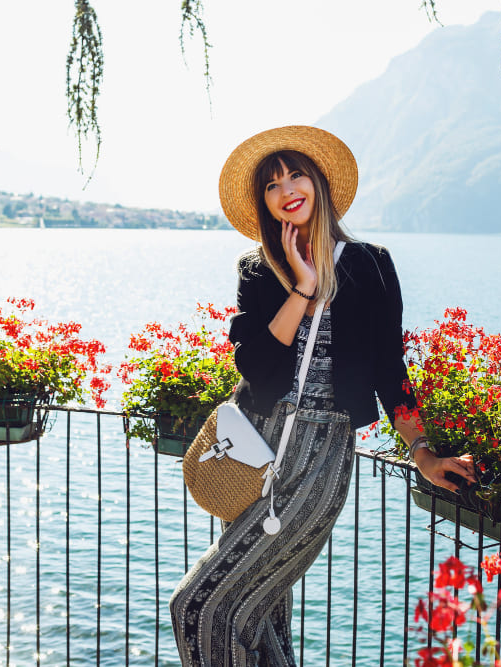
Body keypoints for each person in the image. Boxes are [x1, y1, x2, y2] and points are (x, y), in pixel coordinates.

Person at [169, 125, 475, 666]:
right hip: (253, 451)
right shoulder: (258, 269)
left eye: (295, 174)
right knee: (256, 623)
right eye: (271, 184)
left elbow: (389, 370)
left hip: (321, 455)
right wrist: (304, 287)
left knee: (199, 608)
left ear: (318, 183)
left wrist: (421, 452)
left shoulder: (369, 264)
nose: (286, 188)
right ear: (264, 203)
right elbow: (257, 366)